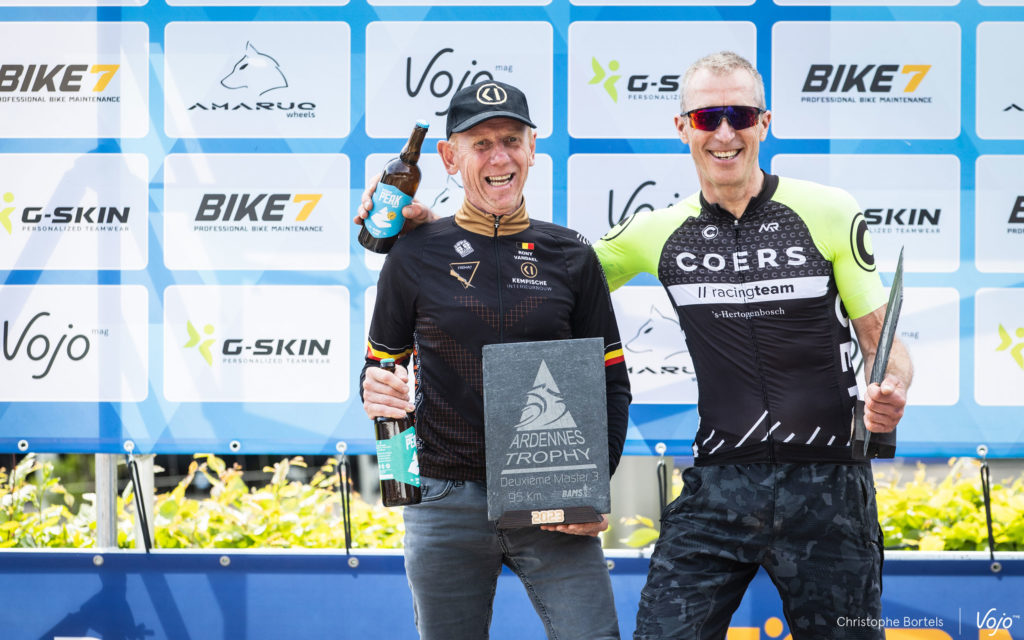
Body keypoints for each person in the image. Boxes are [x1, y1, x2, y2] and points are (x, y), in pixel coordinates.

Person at [592, 51, 913, 639]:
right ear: (682, 127)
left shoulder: (827, 210)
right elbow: (550, 277)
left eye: (740, 115)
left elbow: (881, 341)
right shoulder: (656, 230)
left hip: (830, 491)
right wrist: (435, 233)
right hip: (719, 488)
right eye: (706, 117)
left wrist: (890, 389)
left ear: (765, 123)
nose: (724, 133)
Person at [356, 79, 631, 640]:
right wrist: (379, 405)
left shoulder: (572, 254)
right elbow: (381, 370)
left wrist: (591, 487)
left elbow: (612, 382)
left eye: (510, 140)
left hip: (552, 495)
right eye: (480, 144)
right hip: (443, 502)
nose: (499, 157)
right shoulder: (413, 253)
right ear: (448, 157)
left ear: (532, 149)